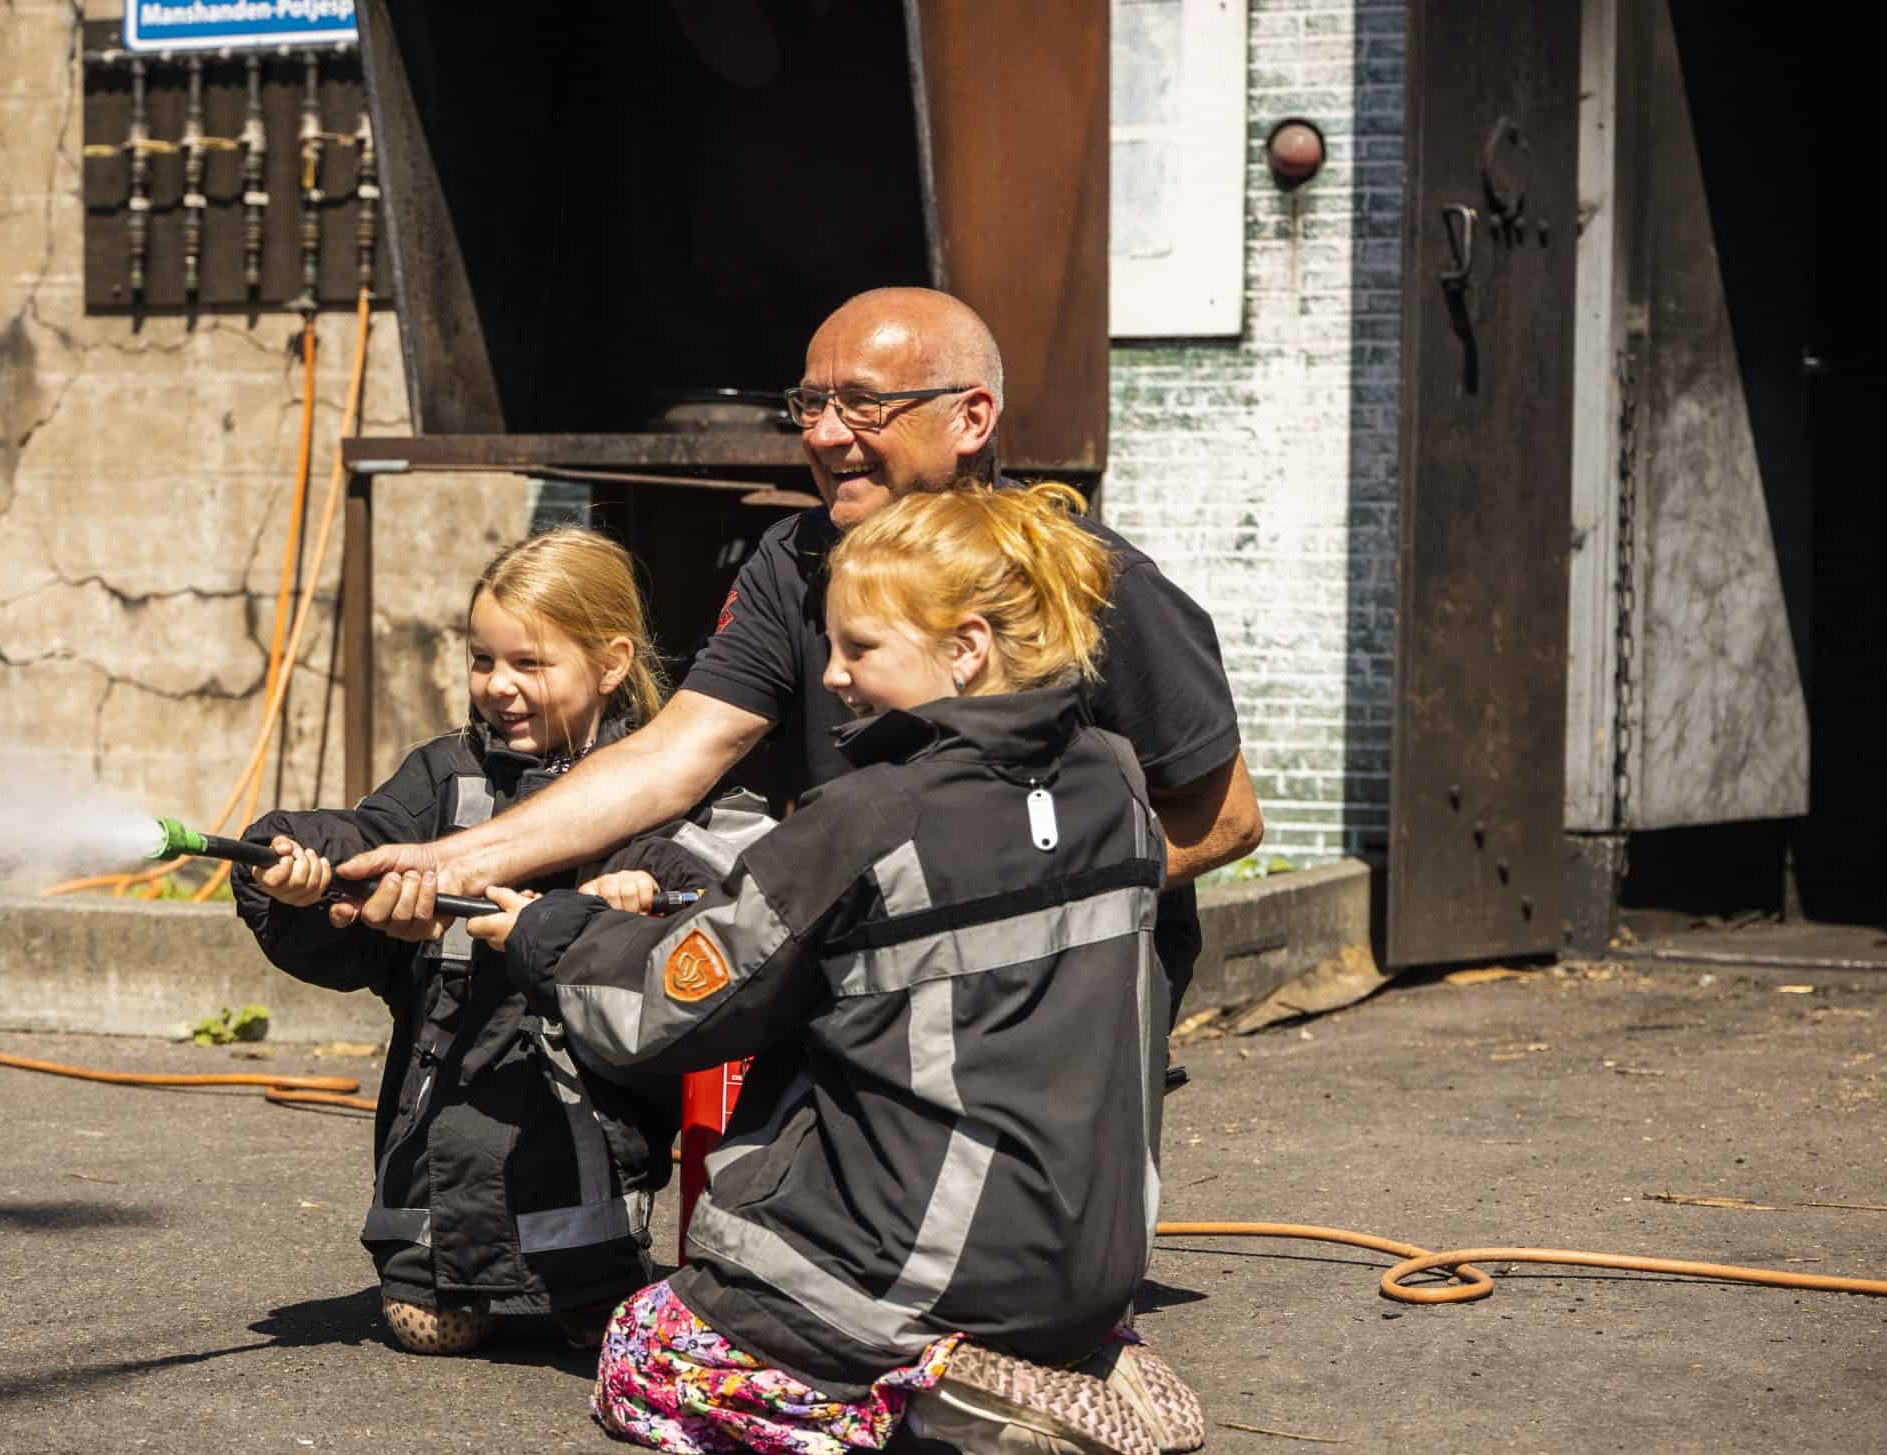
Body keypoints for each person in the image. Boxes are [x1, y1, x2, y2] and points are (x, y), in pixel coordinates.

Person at [468, 483, 1202, 1455]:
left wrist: (549, 932)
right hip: (1091, 1269)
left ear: (966, 649)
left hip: (923, 1275)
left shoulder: (870, 821)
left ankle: (924, 1395)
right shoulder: (1113, 778)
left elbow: (665, 1013)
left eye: (858, 648)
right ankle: (1087, 1356)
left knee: (645, 1352)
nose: (833, 675)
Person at [336, 287, 1262, 1028]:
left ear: (972, 417)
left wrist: (994, 904)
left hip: (1052, 1001)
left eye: (862, 405)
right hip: (865, 974)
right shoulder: (794, 559)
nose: (822, 434)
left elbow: (1227, 820)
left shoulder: (1091, 578)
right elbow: (674, 753)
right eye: (811, 404)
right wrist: (452, 859)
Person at [232, 528, 756, 1355]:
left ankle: (593, 1269)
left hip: (585, 1147)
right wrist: (298, 869)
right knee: (427, 1329)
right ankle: (441, 1263)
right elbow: (366, 836)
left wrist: (644, 895)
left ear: (612, 661)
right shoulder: (441, 776)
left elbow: (714, 883)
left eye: (529, 664)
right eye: (482, 660)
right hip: (437, 1161)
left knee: (597, 1324)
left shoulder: (648, 780)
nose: (498, 687)